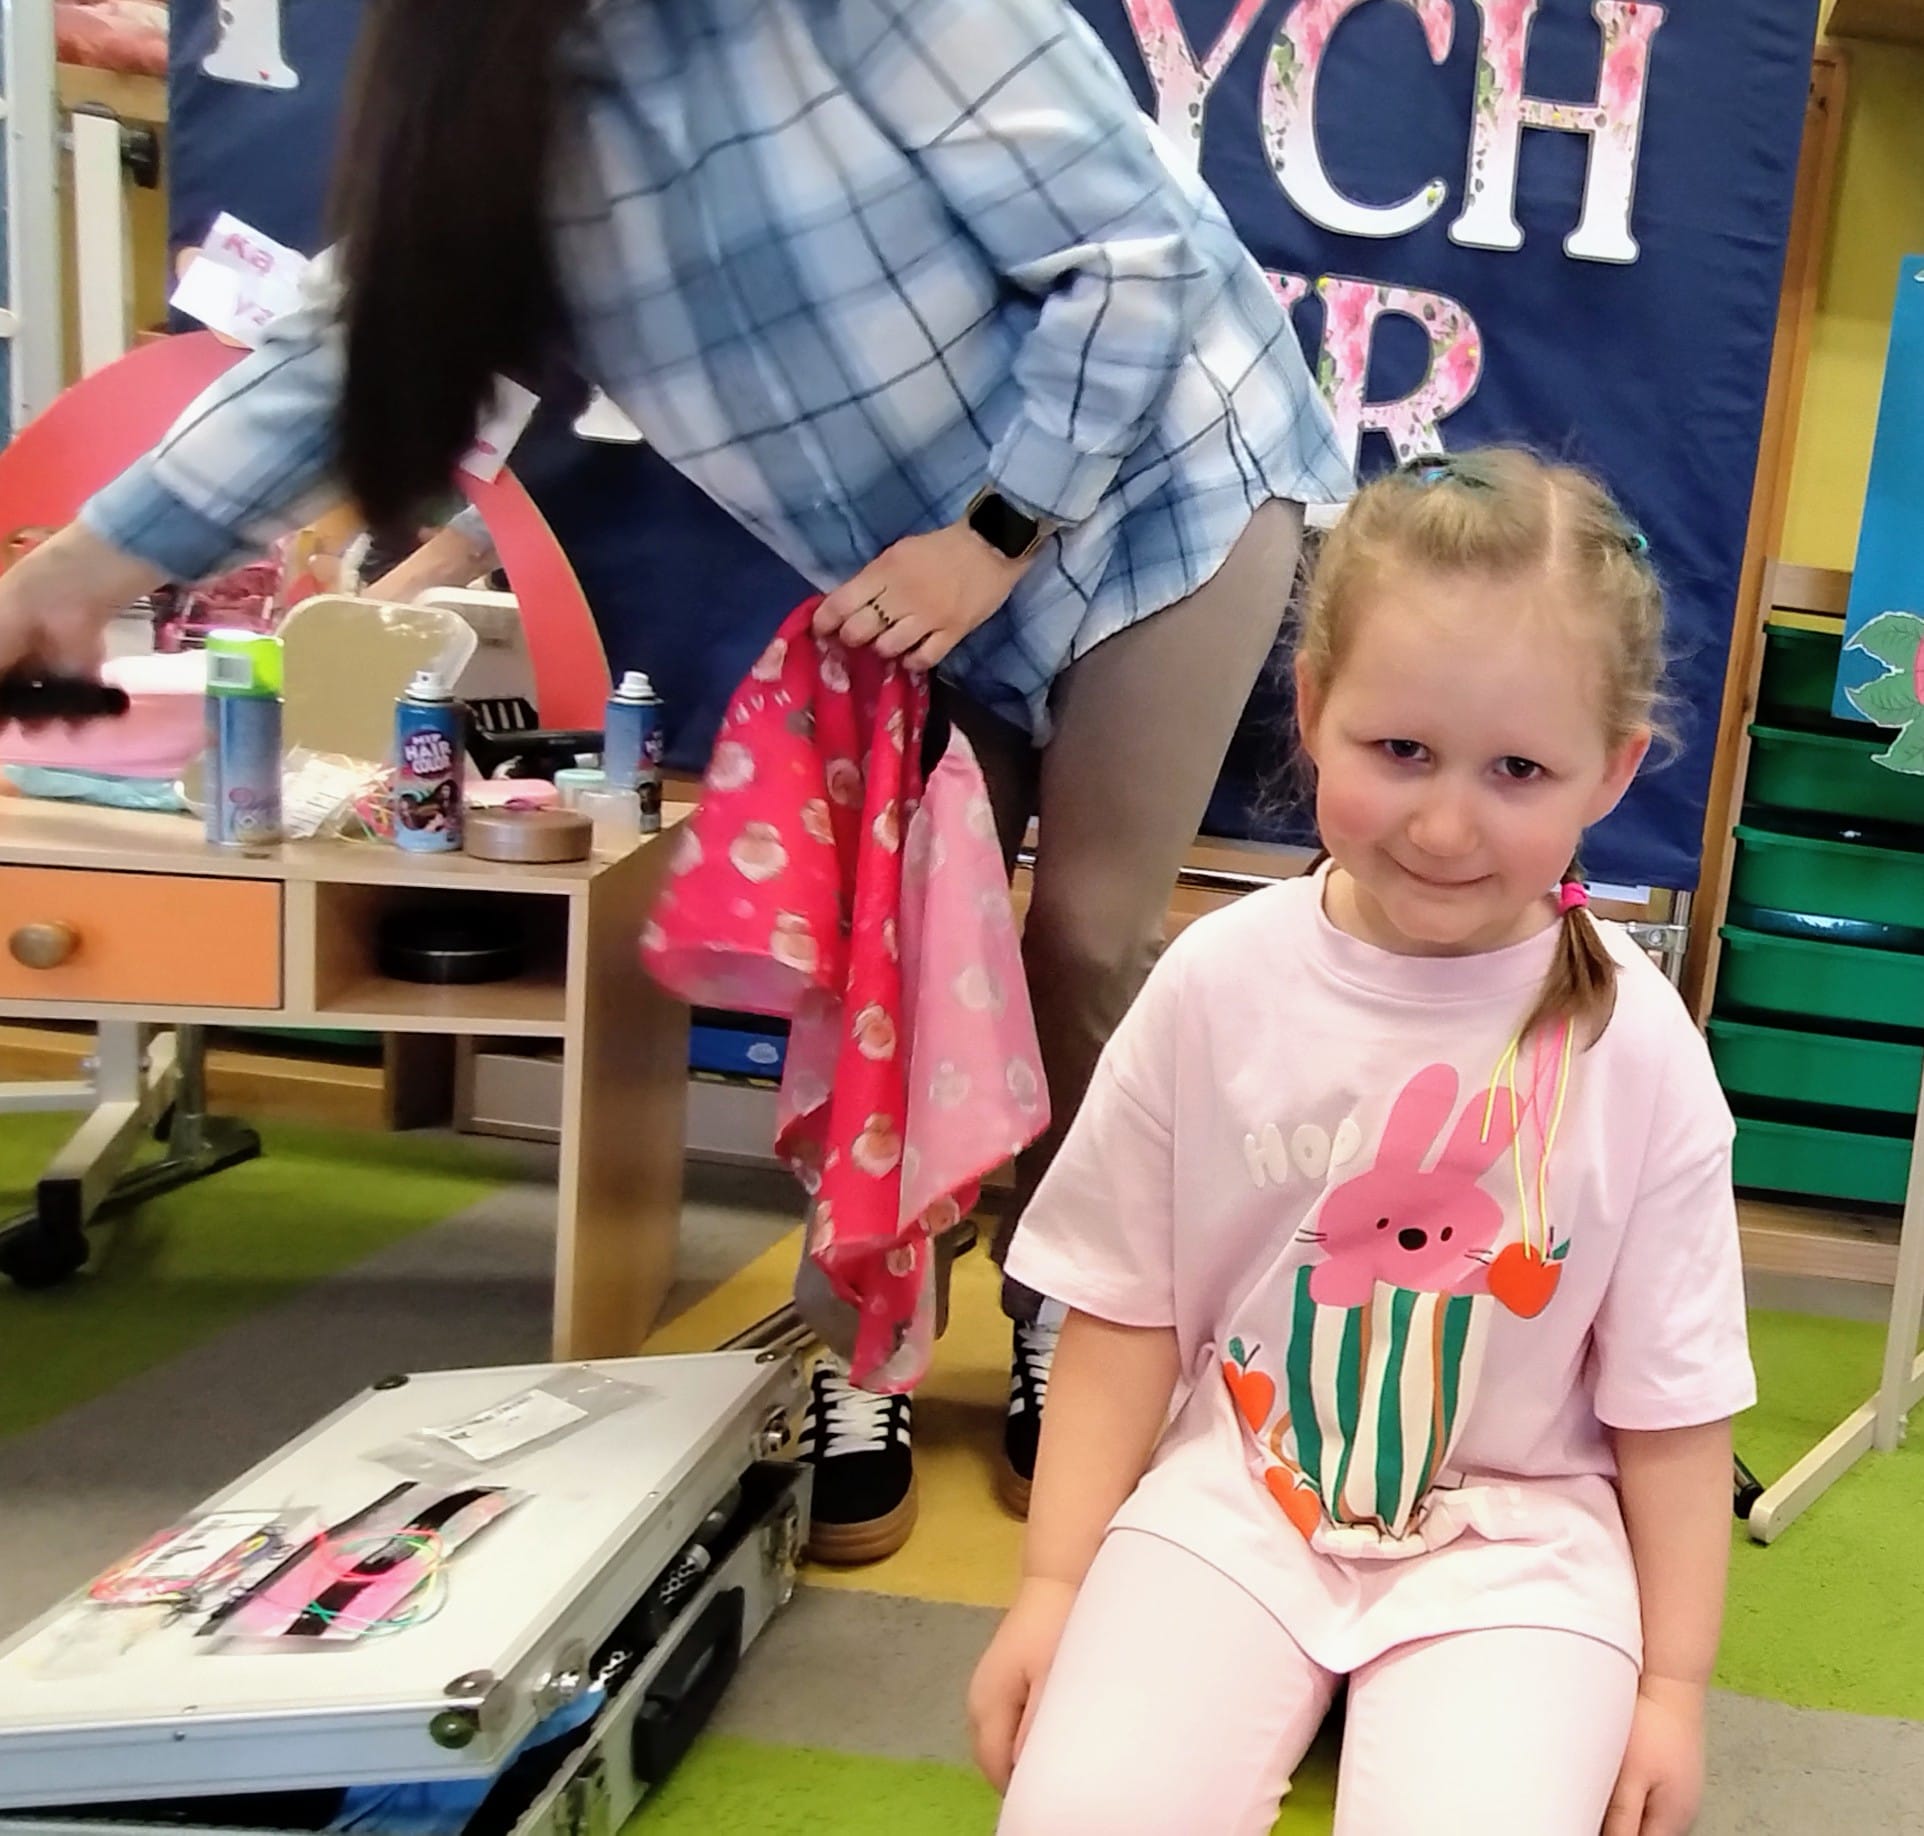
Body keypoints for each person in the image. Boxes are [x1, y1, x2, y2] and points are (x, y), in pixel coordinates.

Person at [0, 0, 1348, 1560]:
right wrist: (76, 575)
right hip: (907, 568)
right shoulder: (499, 90)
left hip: (1163, 479)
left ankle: (1066, 1304)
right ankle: (865, 1340)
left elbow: (1134, 259)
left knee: (1084, 938)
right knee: (893, 949)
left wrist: (995, 535)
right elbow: (345, 358)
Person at [969, 449, 1754, 1836]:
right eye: (1401, 751)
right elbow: (1123, 1316)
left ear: (1612, 771)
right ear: (1314, 708)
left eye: (1519, 769)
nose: (1445, 823)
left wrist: (1673, 1690)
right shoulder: (1217, 983)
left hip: (1519, 1543)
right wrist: (1053, 1588)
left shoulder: (1638, 1050)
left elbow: (1675, 1409)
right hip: (1239, 1495)